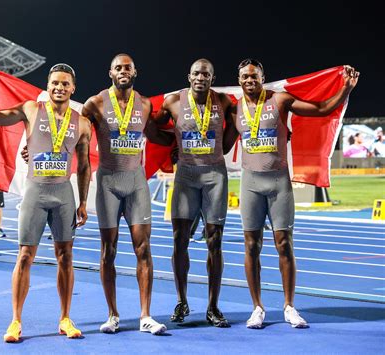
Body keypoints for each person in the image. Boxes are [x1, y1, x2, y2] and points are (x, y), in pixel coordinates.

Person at [226, 59, 359, 329]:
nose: (249, 80)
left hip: (278, 183)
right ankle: (257, 308)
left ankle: (289, 306)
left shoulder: (281, 100)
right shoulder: (234, 108)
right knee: (251, 246)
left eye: (254, 76)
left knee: (284, 244)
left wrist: (345, 89)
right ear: (239, 80)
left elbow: (321, 109)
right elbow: (221, 141)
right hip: (250, 183)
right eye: (245, 77)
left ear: (263, 77)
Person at [0, 63, 92, 342]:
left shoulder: (83, 122)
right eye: (54, 83)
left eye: (65, 84)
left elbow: (85, 165)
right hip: (35, 193)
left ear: (73, 89)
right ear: (47, 86)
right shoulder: (30, 109)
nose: (59, 87)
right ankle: (15, 321)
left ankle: (65, 318)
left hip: (64, 194)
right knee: (25, 256)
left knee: (65, 257)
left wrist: (83, 202)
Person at [81, 54, 167, 335]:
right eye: (118, 67)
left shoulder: (144, 104)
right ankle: (113, 315)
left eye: (127, 67)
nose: (123, 71)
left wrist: (180, 142)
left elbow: (155, 134)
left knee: (144, 249)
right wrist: (34, 147)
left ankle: (145, 316)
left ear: (134, 71)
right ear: (110, 73)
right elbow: (71, 131)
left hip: (136, 182)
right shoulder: (94, 104)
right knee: (109, 251)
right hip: (108, 183)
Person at [154, 59, 237, 327]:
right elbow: (152, 127)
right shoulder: (172, 102)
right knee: (179, 240)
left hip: (215, 176)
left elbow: (238, 125)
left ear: (212, 78)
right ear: (189, 76)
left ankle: (213, 306)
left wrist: (226, 142)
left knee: (215, 241)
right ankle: (182, 301)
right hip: (186, 177)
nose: (201, 77)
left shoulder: (223, 101)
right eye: (197, 73)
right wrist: (172, 144)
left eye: (206, 74)